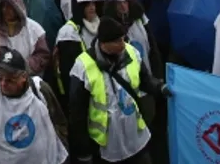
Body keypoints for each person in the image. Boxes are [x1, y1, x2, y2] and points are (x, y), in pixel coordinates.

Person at [67, 17, 167, 164]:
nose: (123, 44)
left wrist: (160, 87)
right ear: (104, 43)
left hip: (136, 136)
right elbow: (77, 114)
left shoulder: (131, 52)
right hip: (109, 144)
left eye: (123, 39)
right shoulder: (83, 67)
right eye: (117, 41)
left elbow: (145, 81)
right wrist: (84, 151)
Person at [0, 48, 69, 164]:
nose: (3, 84)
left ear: (23, 77)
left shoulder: (40, 90)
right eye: (0, 78)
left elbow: (59, 123)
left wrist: (62, 157)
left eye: (10, 80)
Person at [0, 0, 50, 76]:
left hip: (26, 78)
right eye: (4, 6)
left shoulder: (34, 29)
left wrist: (23, 66)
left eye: (9, 7)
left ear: (17, 8)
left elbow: (42, 56)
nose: (5, 10)